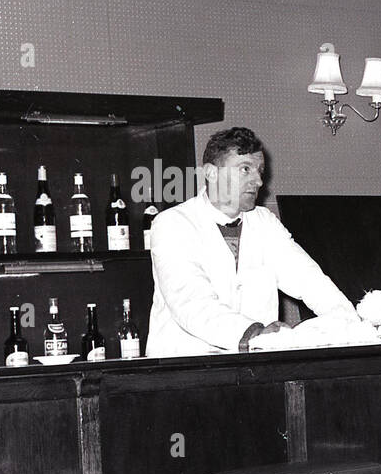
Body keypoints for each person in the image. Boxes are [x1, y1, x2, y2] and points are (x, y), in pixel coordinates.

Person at [148, 126, 357, 357]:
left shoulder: (266, 223)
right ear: (210, 173)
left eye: (259, 171)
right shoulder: (172, 224)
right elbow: (191, 303)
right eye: (245, 169)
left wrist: (349, 322)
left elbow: (310, 280)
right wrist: (255, 335)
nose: (257, 181)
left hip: (254, 370)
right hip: (184, 372)